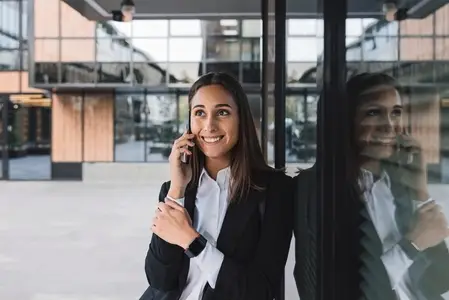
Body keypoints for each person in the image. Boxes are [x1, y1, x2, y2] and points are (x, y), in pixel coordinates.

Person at [293, 72, 449, 300]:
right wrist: (412, 244)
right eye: (373, 113)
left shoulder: (398, 184)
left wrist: (420, 191)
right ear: (347, 122)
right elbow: (318, 290)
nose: (389, 126)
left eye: (396, 113)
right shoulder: (315, 189)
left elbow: (441, 280)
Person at [140, 72, 294, 300]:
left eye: (222, 112)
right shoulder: (175, 189)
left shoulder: (275, 190)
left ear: (241, 119)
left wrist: (192, 242)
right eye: (199, 113)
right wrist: (177, 189)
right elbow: (159, 279)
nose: (209, 125)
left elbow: (260, 291)